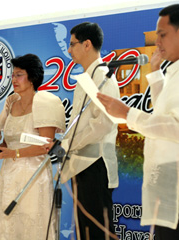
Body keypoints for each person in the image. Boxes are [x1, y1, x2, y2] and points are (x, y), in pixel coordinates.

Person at [97, 4, 179, 240]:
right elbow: (163, 110)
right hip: (166, 193)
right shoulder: (173, 70)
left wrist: (128, 114)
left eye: (162, 35)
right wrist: (154, 72)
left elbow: (174, 127)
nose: (158, 42)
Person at [0, 54, 66, 240]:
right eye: (12, 75)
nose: (14, 79)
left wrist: (12, 153)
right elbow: (7, 141)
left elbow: (46, 145)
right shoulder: (11, 104)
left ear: (32, 77)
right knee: (8, 227)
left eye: (19, 75)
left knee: (32, 226)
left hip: (34, 176)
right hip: (9, 176)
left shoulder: (45, 102)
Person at [50, 22, 120, 240]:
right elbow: (79, 123)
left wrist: (69, 144)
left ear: (87, 44)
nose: (69, 50)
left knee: (99, 231)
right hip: (81, 164)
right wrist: (65, 144)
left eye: (72, 44)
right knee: (85, 230)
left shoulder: (103, 76)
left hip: (96, 164)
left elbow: (103, 124)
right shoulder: (86, 78)